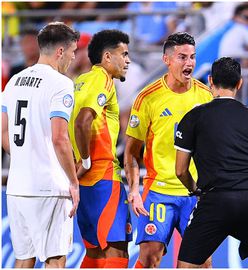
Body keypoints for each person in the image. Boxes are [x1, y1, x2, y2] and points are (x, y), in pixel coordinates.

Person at [174, 57, 248, 268]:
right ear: (239, 83)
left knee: (186, 265)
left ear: (210, 81)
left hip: (215, 201)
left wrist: (195, 190)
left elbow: (180, 170)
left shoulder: (194, 117)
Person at [124, 32, 213, 268]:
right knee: (150, 256)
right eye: (182, 57)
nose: (190, 63)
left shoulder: (206, 96)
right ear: (167, 60)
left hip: (195, 193)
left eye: (193, 57)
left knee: (202, 263)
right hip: (159, 192)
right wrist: (133, 189)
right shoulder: (148, 98)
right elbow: (132, 152)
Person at [2, 22, 80, 268]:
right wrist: (73, 181)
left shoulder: (14, 81)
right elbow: (60, 138)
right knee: (55, 260)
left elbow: (3, 131)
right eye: (72, 52)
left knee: (24, 260)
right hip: (49, 188)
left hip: (16, 188)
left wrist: (25, 155)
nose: (73, 57)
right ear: (60, 52)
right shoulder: (61, 84)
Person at [68, 29, 132, 268]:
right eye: (123, 54)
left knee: (95, 254)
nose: (128, 60)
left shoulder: (79, 81)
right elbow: (83, 121)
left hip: (84, 185)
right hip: (103, 178)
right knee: (116, 252)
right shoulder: (102, 78)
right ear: (107, 57)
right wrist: (85, 161)